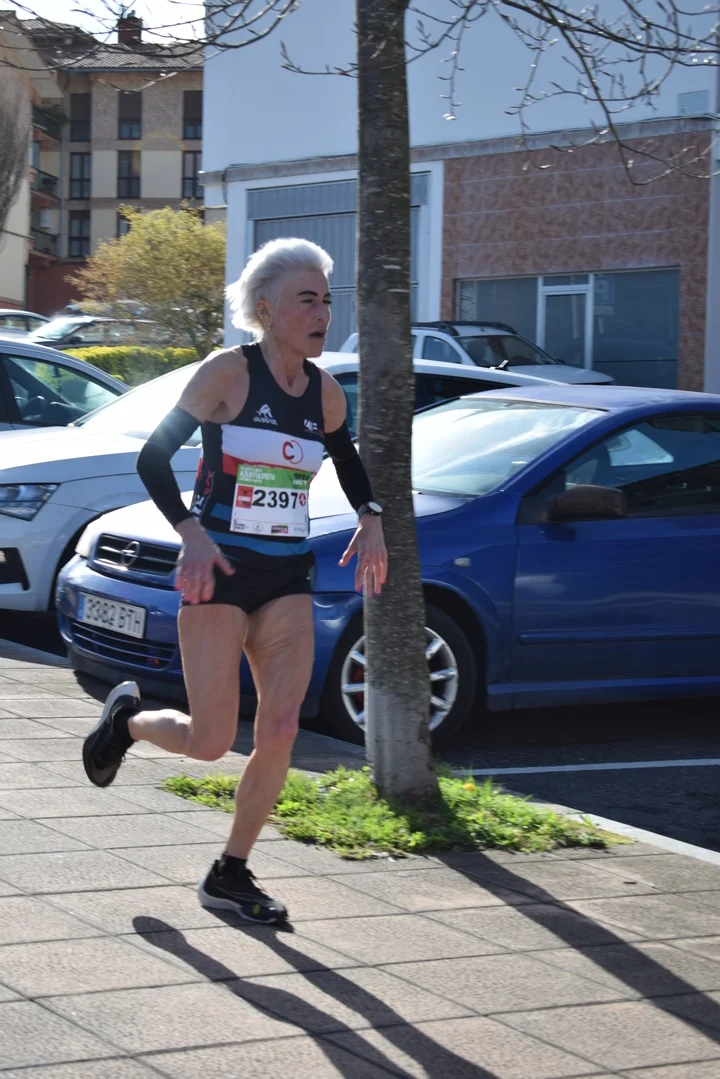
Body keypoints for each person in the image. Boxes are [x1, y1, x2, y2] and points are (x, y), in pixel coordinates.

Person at [82, 238, 387, 924]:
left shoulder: (325, 392)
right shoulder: (227, 373)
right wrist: (190, 532)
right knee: (211, 741)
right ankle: (128, 722)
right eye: (307, 301)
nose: (322, 314)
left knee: (279, 727)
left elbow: (346, 459)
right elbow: (154, 457)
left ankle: (231, 870)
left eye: (327, 300)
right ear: (266, 310)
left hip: (286, 575)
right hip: (218, 570)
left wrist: (371, 515)